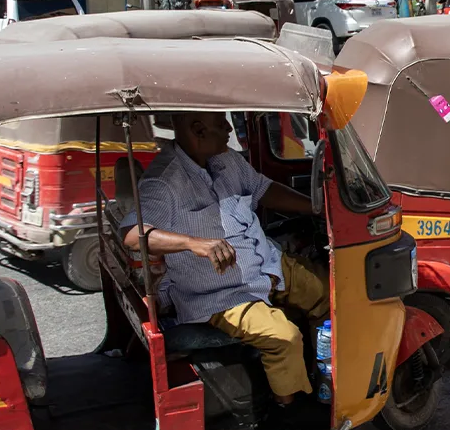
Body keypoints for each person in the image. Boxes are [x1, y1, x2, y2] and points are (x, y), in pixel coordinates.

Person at [121, 112, 327, 409]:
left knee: (327, 294)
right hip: (222, 293)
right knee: (284, 338)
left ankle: (324, 375)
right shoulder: (164, 183)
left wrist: (316, 208)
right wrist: (194, 244)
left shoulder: (226, 159)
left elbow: (262, 189)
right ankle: (287, 407)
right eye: (221, 124)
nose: (229, 128)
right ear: (197, 129)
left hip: (266, 264)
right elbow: (131, 233)